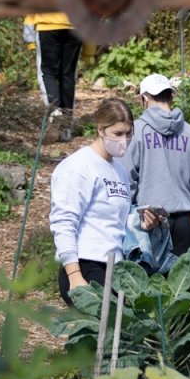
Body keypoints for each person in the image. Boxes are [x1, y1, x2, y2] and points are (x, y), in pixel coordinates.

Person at [50, 98, 134, 306]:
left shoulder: (119, 170)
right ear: (100, 130)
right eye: (118, 134)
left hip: (114, 267)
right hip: (85, 265)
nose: (124, 140)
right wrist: (74, 274)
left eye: (128, 133)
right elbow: (64, 221)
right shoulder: (79, 166)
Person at [126, 73, 190, 258]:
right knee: (180, 283)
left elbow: (127, 178)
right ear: (172, 96)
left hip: (149, 220)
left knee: (148, 283)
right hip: (185, 222)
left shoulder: (135, 132)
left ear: (144, 98)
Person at [25, 0, 82, 140]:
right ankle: (66, 128)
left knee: (48, 71)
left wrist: (29, 27)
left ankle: (55, 110)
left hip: (47, 22)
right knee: (68, 75)